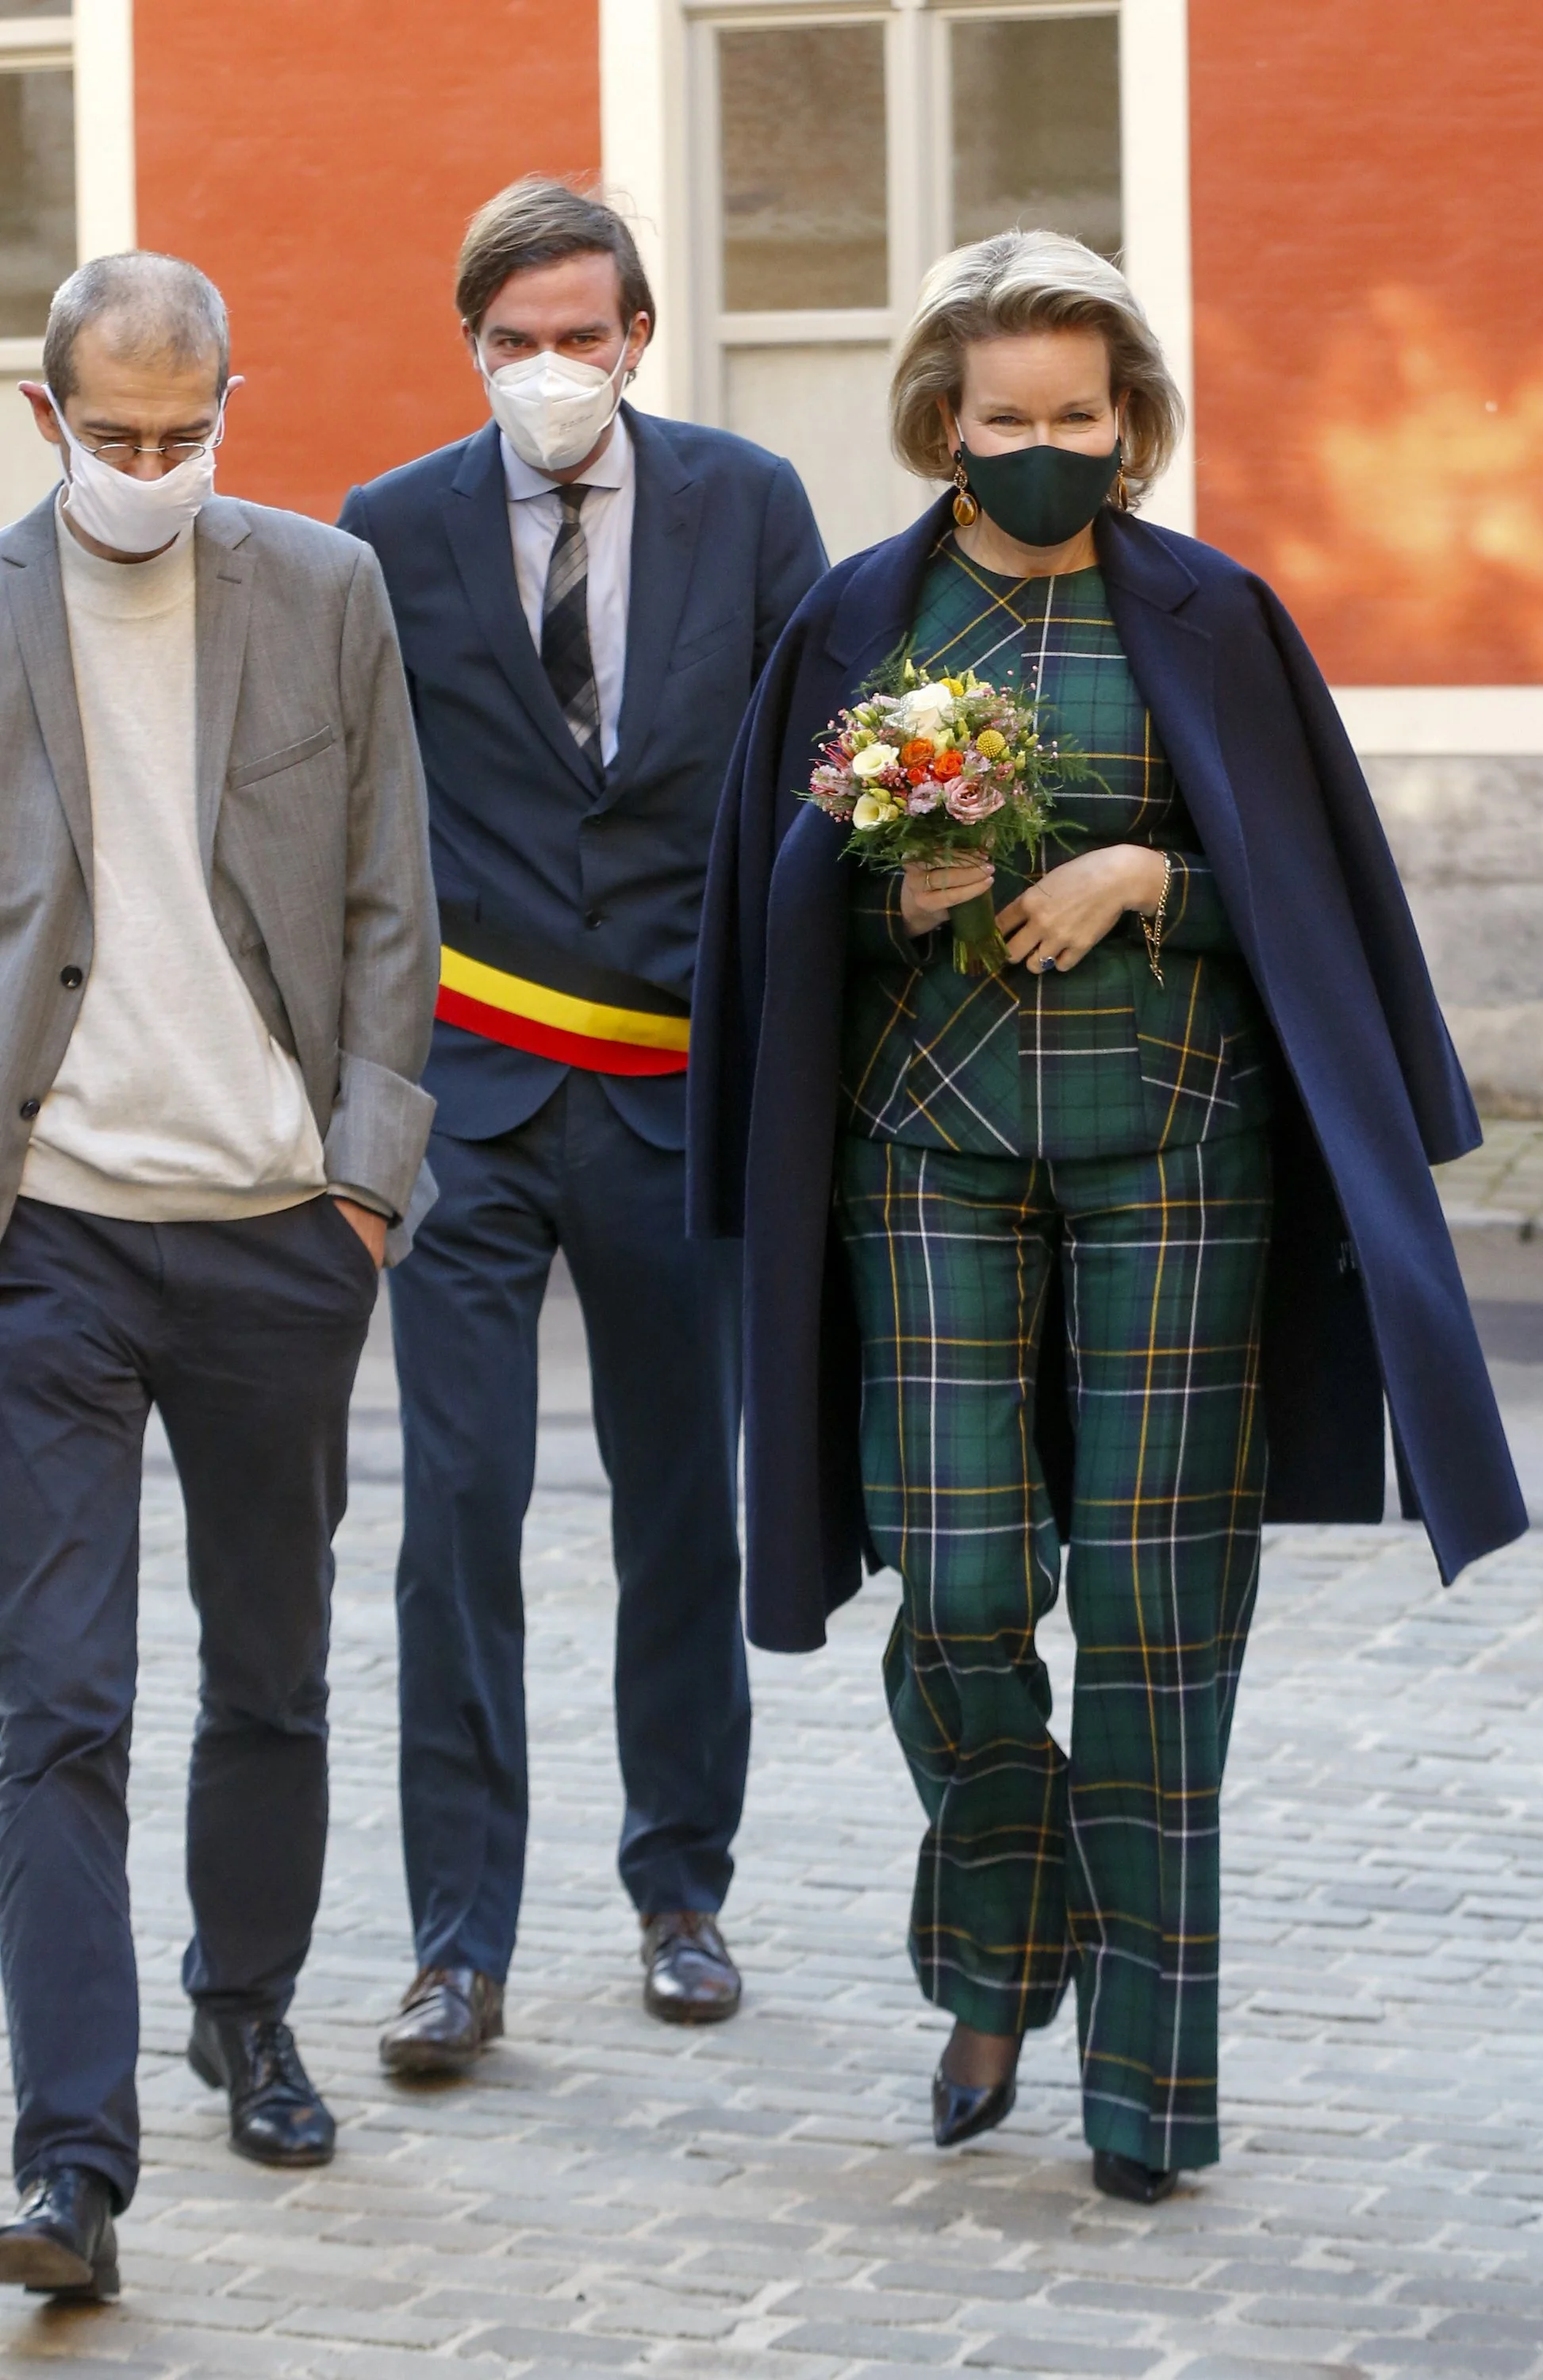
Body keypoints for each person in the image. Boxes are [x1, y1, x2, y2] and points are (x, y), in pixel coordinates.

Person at [688, 232, 1526, 2204]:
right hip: (922, 1149)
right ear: (943, 423)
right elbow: (771, 903)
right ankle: (1006, 1926)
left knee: (1158, 1615)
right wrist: (884, 892)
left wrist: (1155, 876)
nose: (1046, 443)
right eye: (1008, 417)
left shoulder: (1219, 616)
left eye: (1080, 412)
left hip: (1178, 1152)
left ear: (1129, 417)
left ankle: (1147, 2086)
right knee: (963, 1584)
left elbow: (1309, 893)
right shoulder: (856, 618)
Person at [339, 177, 825, 2073]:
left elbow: (811, 783)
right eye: (512, 340)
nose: (548, 366)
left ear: (638, 336)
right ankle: (455, 1948)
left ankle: (680, 1892)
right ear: (470, 345)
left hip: (673, 1089)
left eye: (578, 334)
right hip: (465, 1094)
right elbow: (359, 813)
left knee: (680, 1508)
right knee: (454, 1516)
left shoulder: (749, 506)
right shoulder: (389, 527)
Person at [0, 252, 439, 2301]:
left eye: (188, 434)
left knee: (268, 1666)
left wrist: (363, 1186)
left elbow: (389, 894)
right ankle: (70, 2164)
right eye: (118, 435)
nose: (154, 466)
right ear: (47, 417)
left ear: (229, 410)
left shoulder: (326, 591)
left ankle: (244, 2012)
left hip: (279, 1231)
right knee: (54, 1700)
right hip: (57, 1236)